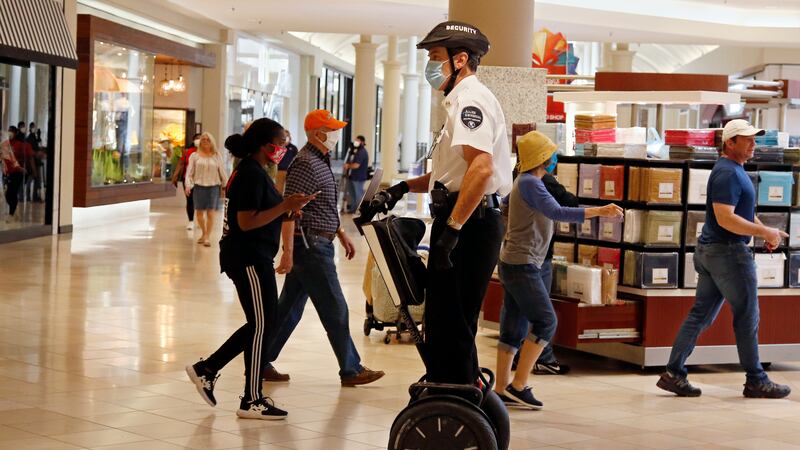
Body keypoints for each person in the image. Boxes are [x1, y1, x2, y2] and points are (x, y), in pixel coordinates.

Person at [371, 21, 512, 386]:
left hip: (470, 223)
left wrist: (452, 229)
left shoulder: (470, 100)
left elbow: (481, 170)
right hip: (466, 219)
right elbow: (450, 176)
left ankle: (455, 395)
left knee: (452, 320)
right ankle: (454, 385)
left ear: (460, 59)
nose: (430, 65)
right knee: (446, 319)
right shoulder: (459, 100)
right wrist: (402, 187)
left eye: (435, 57)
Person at [185, 118, 316, 420]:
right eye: (281, 143)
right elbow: (246, 222)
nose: (284, 148)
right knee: (261, 325)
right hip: (248, 258)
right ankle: (252, 398)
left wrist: (286, 208)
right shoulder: (250, 174)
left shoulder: (255, 171)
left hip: (252, 255)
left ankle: (208, 369)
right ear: (265, 144)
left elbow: (260, 214)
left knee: (262, 323)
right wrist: (284, 207)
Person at [657, 119, 791, 399]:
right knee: (747, 316)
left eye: (754, 139)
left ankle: (673, 373)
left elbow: (739, 213)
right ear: (730, 143)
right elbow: (725, 218)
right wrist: (763, 231)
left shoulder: (733, 170)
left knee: (700, 315)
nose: (753, 144)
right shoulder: (728, 173)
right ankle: (756, 379)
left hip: (713, 252)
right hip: (729, 254)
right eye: (747, 139)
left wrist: (765, 231)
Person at [495, 131, 623, 409]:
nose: (555, 158)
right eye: (551, 154)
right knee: (546, 322)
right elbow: (559, 212)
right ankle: (519, 385)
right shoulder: (531, 183)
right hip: (523, 264)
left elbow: (504, 207)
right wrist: (601, 211)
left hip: (513, 261)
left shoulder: (523, 182)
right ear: (542, 157)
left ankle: (502, 387)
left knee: (513, 326)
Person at [262, 109, 385, 387]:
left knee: (289, 308)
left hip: (319, 240)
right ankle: (351, 369)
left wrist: (340, 232)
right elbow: (291, 209)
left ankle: (260, 360)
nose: (337, 135)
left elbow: (320, 205)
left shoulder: (319, 160)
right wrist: (288, 251)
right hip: (310, 246)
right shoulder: (305, 162)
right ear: (318, 134)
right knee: (335, 307)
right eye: (332, 130)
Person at [185, 132, 228, 247]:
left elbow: (222, 171)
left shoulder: (216, 155)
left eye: (207, 139)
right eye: (203, 139)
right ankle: (203, 233)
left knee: (210, 213)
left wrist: (226, 185)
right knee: (199, 213)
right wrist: (188, 185)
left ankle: (207, 237)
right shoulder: (195, 156)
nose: (205, 141)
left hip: (213, 187)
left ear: (211, 141)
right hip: (199, 187)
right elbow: (189, 172)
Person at [173, 133, 201, 230]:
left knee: (201, 201)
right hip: (188, 179)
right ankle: (191, 221)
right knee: (190, 200)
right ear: (193, 141)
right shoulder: (188, 152)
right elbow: (181, 164)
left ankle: (200, 220)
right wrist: (175, 176)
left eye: (200, 138)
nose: (199, 140)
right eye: (196, 138)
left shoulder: (207, 152)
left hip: (202, 180)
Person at [1, 133, 24, 222]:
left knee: (11, 192)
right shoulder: (4, 145)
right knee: (8, 194)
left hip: (17, 173)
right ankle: (14, 209)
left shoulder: (19, 145)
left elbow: (21, 158)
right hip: (7, 173)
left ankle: (11, 214)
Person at [344, 135, 369, 214]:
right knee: (352, 194)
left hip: (358, 177)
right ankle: (353, 209)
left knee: (358, 194)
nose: (356, 142)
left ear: (362, 142)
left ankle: (360, 210)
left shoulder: (362, 152)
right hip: (352, 176)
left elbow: (356, 165)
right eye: (355, 140)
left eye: (357, 140)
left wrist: (348, 166)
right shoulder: (356, 151)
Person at [276, 129, 299, 194]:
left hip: (290, 171)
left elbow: (296, 159)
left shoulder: (293, 148)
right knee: (279, 189)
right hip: (280, 170)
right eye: (284, 136)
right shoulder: (279, 147)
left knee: (290, 189)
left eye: (287, 136)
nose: (286, 138)